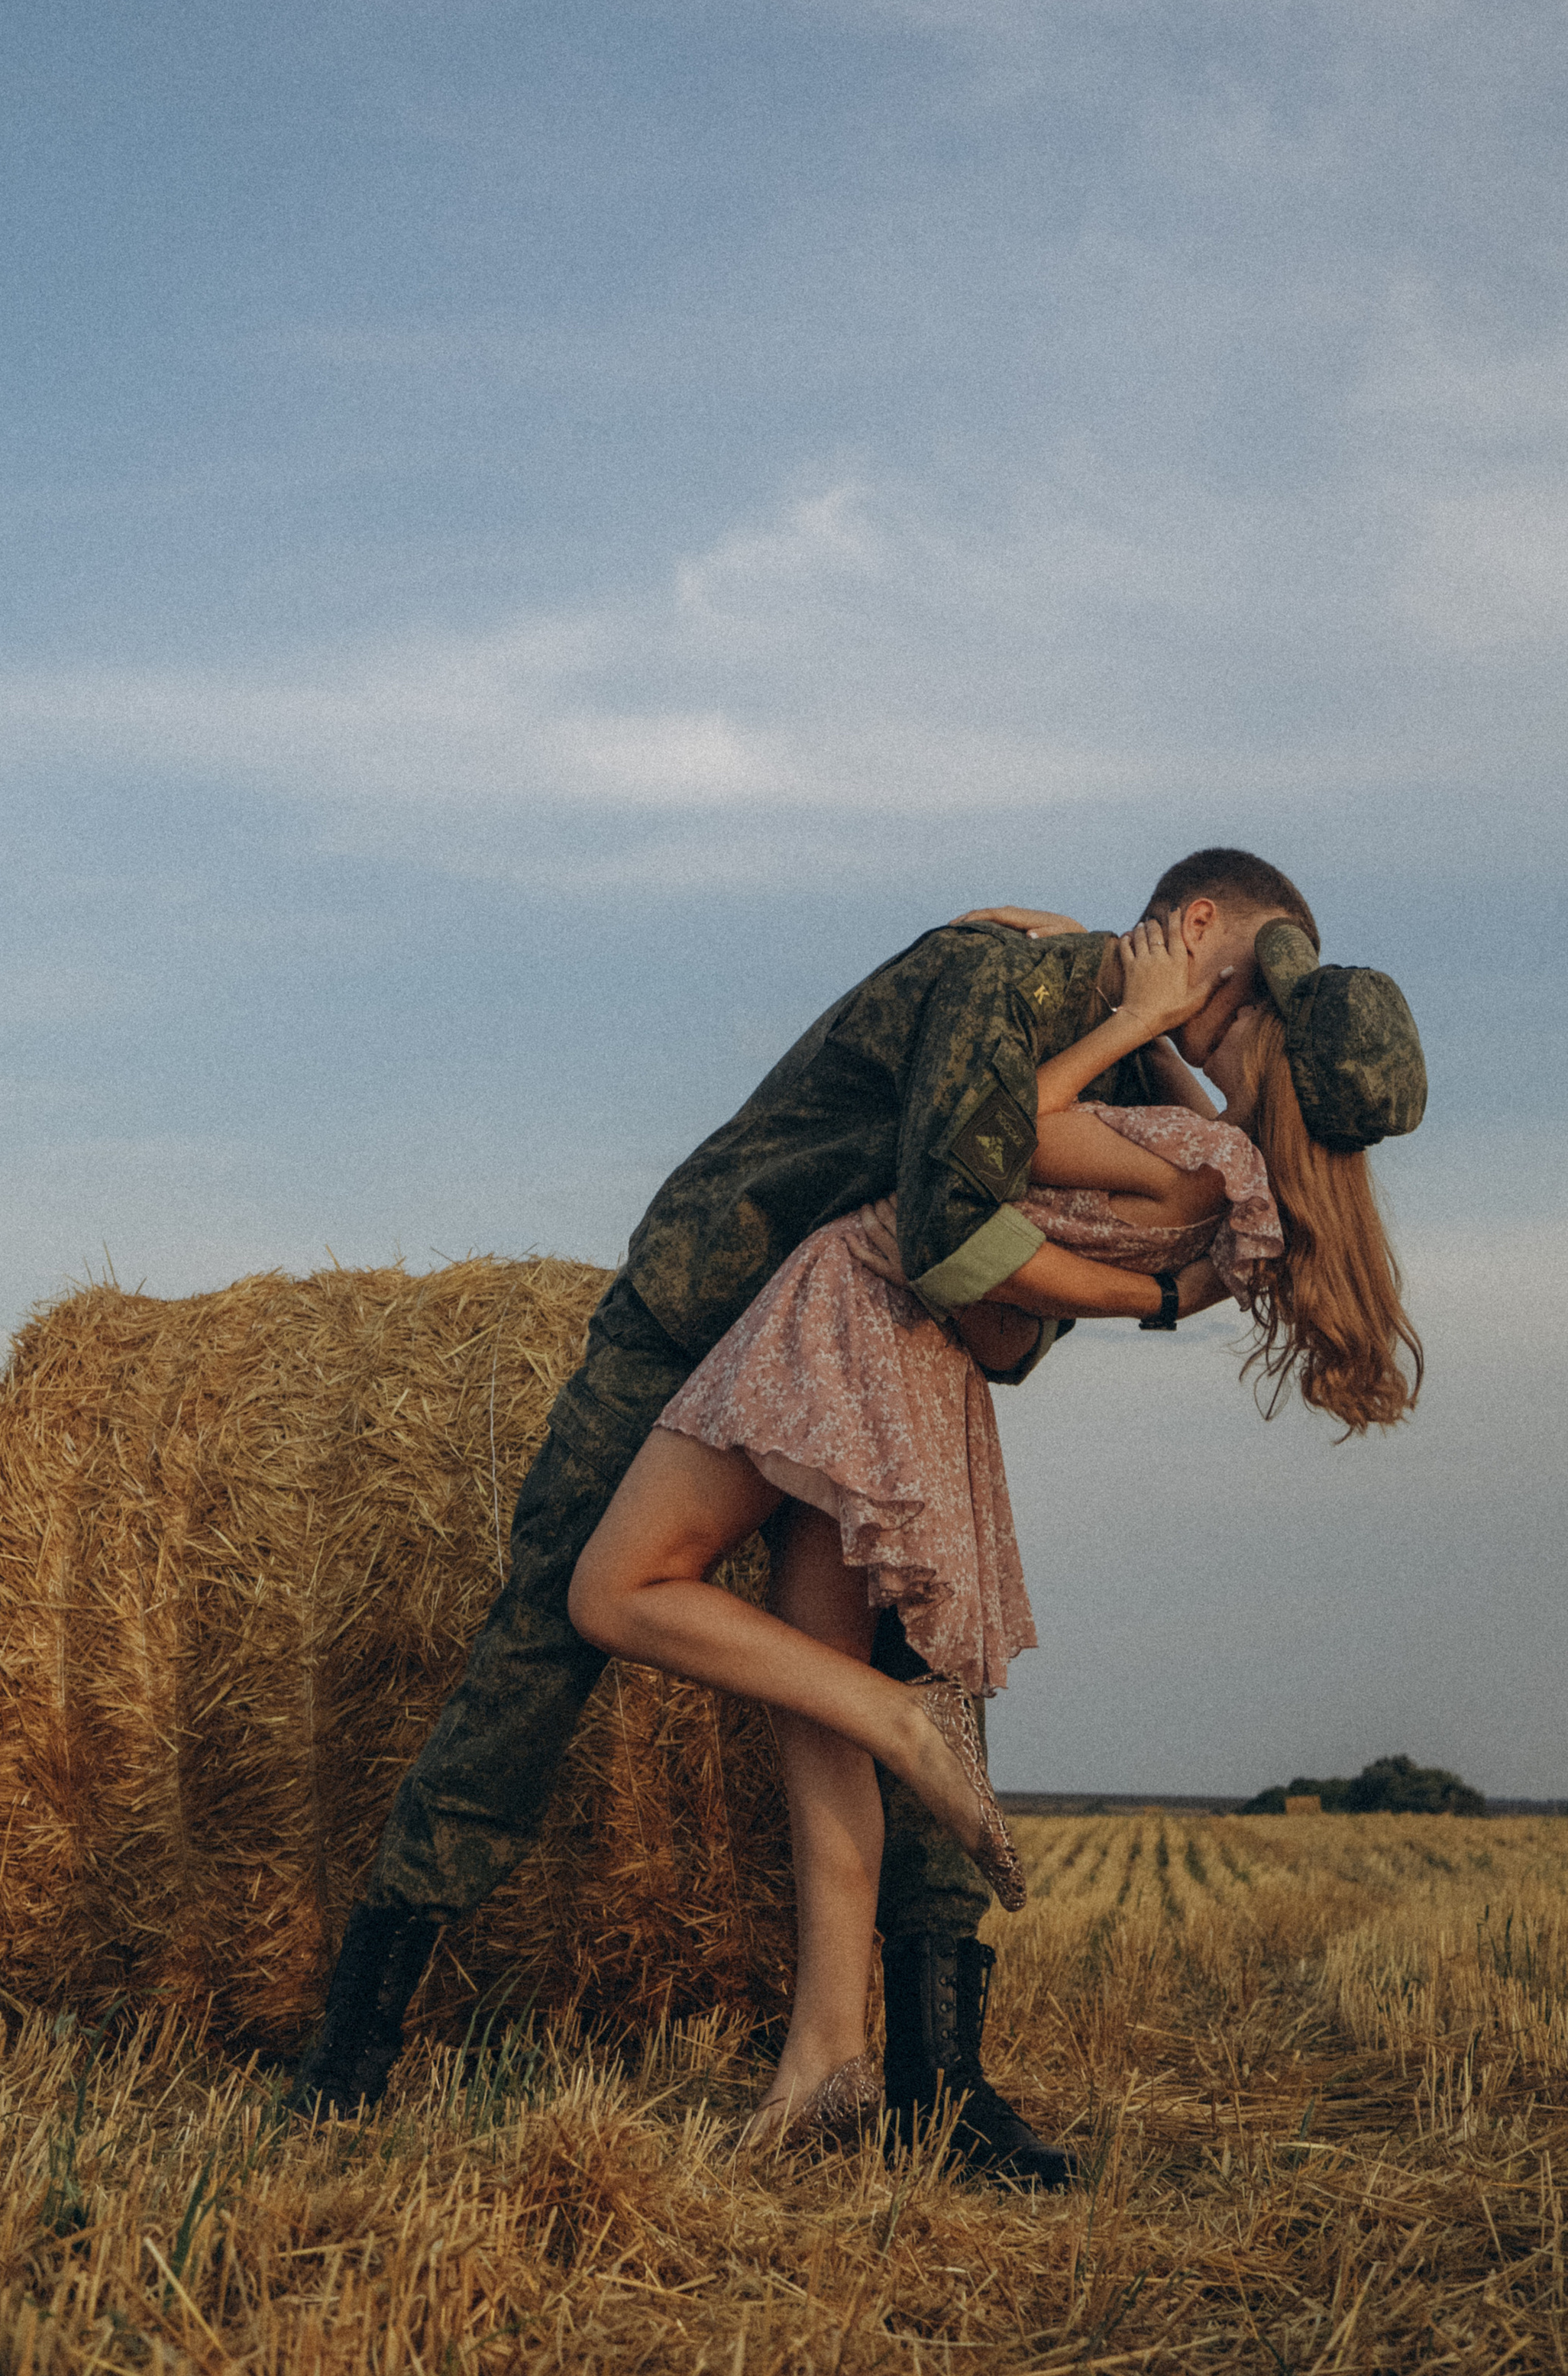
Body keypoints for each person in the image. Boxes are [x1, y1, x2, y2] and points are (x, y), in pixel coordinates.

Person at [288, 849, 1427, 2185]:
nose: (1236, 1070)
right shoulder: (1009, 985)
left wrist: (1157, 1065)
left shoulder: (1138, 1062)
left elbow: (1016, 1278)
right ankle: (351, 2052)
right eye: (1243, 1018)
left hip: (870, 1326)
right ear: (1193, 932)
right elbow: (954, 1228)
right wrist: (1161, 1269)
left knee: (918, 1650)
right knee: (549, 1633)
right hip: (711, 1295)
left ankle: (931, 2086)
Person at [565, 912, 1423, 2145]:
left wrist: (1126, 1023)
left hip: (855, 1305)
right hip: (922, 1359)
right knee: (814, 1713)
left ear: (1273, 1055)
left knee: (620, 1586)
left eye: (1247, 1020)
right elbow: (1163, 1161)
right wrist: (1165, 1051)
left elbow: (989, 1137)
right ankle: (827, 2060)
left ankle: (904, 1719)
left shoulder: (1199, 1159)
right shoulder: (1251, 1208)